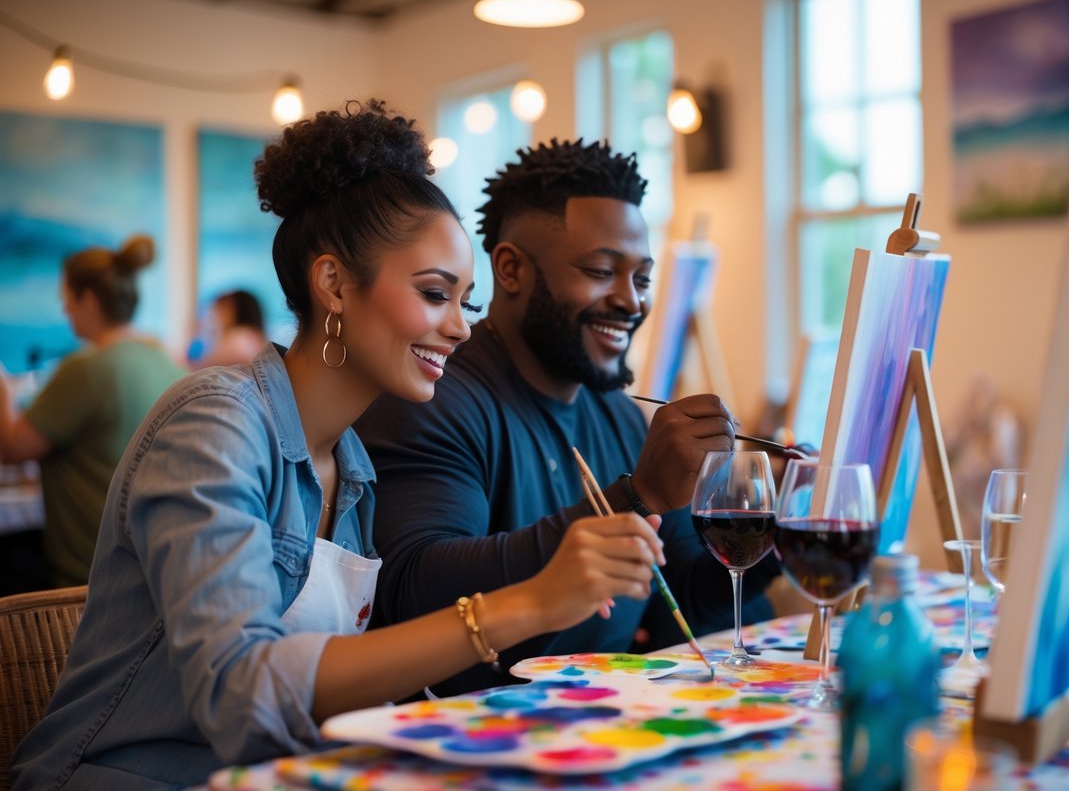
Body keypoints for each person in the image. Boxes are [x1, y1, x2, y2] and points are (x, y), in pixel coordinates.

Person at [10, 102, 664, 791]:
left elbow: (332, 689)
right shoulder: (213, 425)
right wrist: (521, 605)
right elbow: (241, 691)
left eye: (464, 302)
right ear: (333, 285)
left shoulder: (350, 466)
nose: (460, 329)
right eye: (435, 294)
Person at [356, 139, 780, 697]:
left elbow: (686, 594)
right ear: (510, 269)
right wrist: (639, 494)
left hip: (596, 724)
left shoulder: (620, 415)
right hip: (474, 735)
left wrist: (785, 534)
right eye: (602, 270)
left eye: (642, 279)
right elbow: (414, 586)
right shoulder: (434, 399)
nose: (631, 302)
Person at [0, 234, 185, 588]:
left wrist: (2, 382)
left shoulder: (86, 369)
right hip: (154, 569)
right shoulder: (167, 361)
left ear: (88, 299)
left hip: (90, 577)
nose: (64, 308)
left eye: (66, 297)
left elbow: (12, 449)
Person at [192, 289, 269, 368]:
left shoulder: (239, 340)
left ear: (236, 311)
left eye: (222, 309)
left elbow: (200, 368)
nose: (215, 316)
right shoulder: (253, 338)